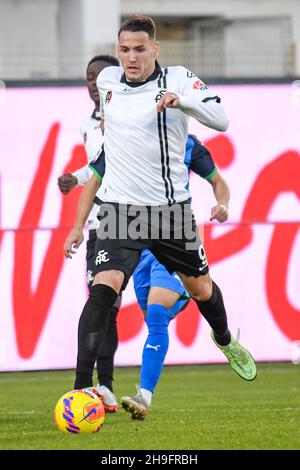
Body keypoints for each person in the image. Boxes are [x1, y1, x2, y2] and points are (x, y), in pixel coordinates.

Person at [64, 15, 256, 420]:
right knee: (103, 291)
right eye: (124, 50)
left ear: (155, 49)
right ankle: (82, 390)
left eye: (139, 49)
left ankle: (224, 339)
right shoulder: (108, 83)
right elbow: (104, 160)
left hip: (170, 214)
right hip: (119, 212)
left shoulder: (179, 78)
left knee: (202, 290)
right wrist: (80, 220)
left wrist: (181, 101)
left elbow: (221, 120)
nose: (131, 58)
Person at [85, 135, 230, 419]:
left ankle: (145, 396)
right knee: (153, 316)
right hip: (139, 245)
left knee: (155, 314)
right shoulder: (128, 139)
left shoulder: (186, 143)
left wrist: (222, 203)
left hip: (173, 238)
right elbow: (94, 176)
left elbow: (217, 180)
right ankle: (186, 298)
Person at [58, 55, 120, 413]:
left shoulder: (134, 113)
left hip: (139, 218)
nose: (93, 82)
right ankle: (98, 386)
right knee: (103, 303)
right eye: (88, 77)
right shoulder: (87, 123)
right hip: (102, 223)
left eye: (98, 76)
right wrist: (75, 178)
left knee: (155, 302)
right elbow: (98, 165)